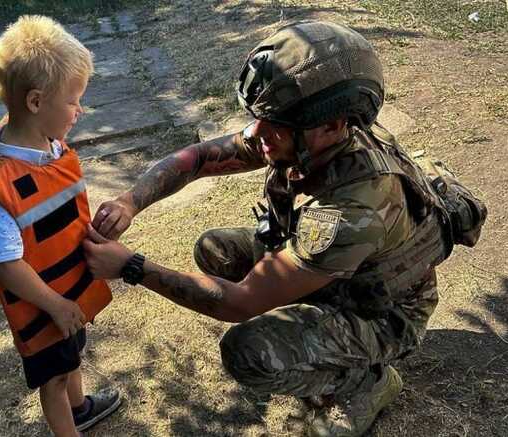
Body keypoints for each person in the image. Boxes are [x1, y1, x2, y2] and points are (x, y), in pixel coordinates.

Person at [83, 20, 479, 436]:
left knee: (249, 352)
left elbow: (239, 304)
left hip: (382, 312)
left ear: (333, 124)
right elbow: (199, 159)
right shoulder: (311, 134)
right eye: (259, 118)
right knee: (216, 250)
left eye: (276, 123)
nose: (256, 133)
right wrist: (131, 200)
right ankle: (309, 325)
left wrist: (132, 267)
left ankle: (364, 382)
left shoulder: (352, 208)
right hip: (339, 272)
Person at [0, 16, 121, 436]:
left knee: (74, 353)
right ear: (35, 102)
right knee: (54, 378)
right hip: (45, 306)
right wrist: (56, 305)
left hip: (68, 293)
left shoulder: (48, 143)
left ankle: (80, 408)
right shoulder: (2, 189)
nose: (80, 110)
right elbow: (6, 264)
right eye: (73, 101)